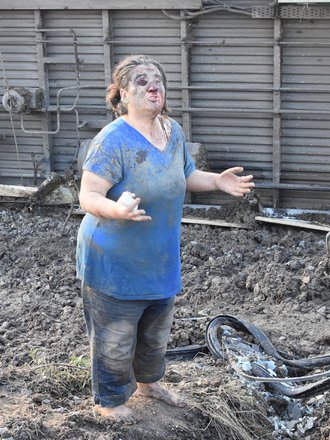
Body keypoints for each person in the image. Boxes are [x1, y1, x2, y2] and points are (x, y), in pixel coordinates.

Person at [76, 55, 254, 423]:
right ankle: (108, 401)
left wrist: (217, 181)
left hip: (157, 256)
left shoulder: (172, 131)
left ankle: (149, 383)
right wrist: (117, 209)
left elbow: (186, 174)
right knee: (115, 336)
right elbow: (88, 197)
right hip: (113, 259)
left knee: (156, 330)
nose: (152, 85)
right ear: (123, 94)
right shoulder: (112, 140)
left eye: (156, 79)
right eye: (141, 81)